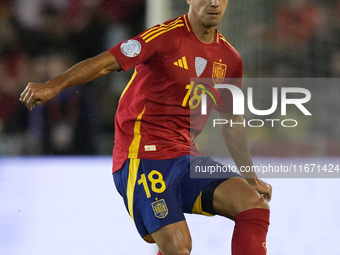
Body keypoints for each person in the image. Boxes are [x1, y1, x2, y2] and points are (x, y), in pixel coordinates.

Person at [20, 0, 272, 254]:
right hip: (141, 154)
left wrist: (250, 176)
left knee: (254, 206)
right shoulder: (164, 37)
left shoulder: (230, 58)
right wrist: (54, 85)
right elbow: (107, 62)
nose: (215, 3)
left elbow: (230, 121)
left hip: (185, 158)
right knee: (178, 245)